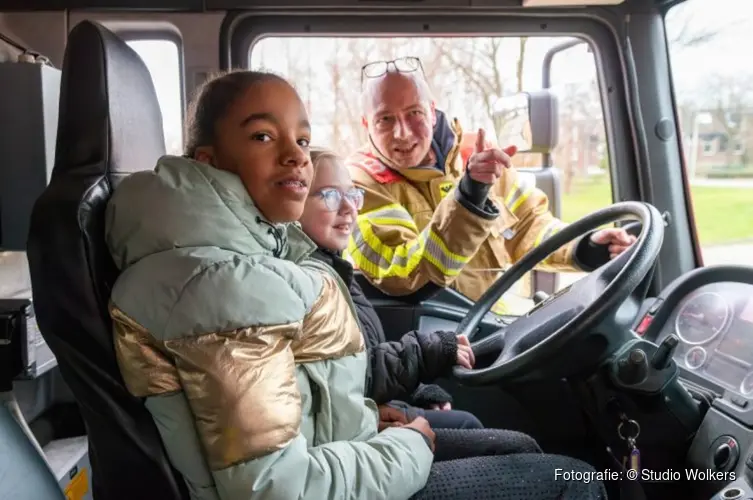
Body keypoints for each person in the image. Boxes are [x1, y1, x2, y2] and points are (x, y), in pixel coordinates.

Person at [104, 69, 607, 500]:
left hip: (326, 454)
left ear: (433, 113)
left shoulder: (249, 254)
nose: (296, 156)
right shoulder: (223, 284)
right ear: (209, 160)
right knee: (575, 481)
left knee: (517, 449)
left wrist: (362, 415)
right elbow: (277, 488)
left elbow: (298, 391)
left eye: (302, 140)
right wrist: (407, 443)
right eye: (263, 136)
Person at [346, 56, 637, 314]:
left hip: (489, 320)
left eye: (414, 113)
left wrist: (585, 247)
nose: (403, 132)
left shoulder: (478, 154)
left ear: (432, 112)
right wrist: (469, 197)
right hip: (421, 338)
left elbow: (529, 227)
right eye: (385, 119)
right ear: (366, 124)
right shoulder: (359, 184)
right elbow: (404, 274)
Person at [300, 146, 483, 430]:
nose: (349, 208)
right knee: (469, 426)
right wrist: (425, 353)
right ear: (293, 202)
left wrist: (414, 391)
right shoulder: (311, 280)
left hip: (365, 405)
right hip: (350, 424)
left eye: (352, 195)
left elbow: (363, 354)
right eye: (330, 195)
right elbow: (348, 375)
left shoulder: (336, 269)